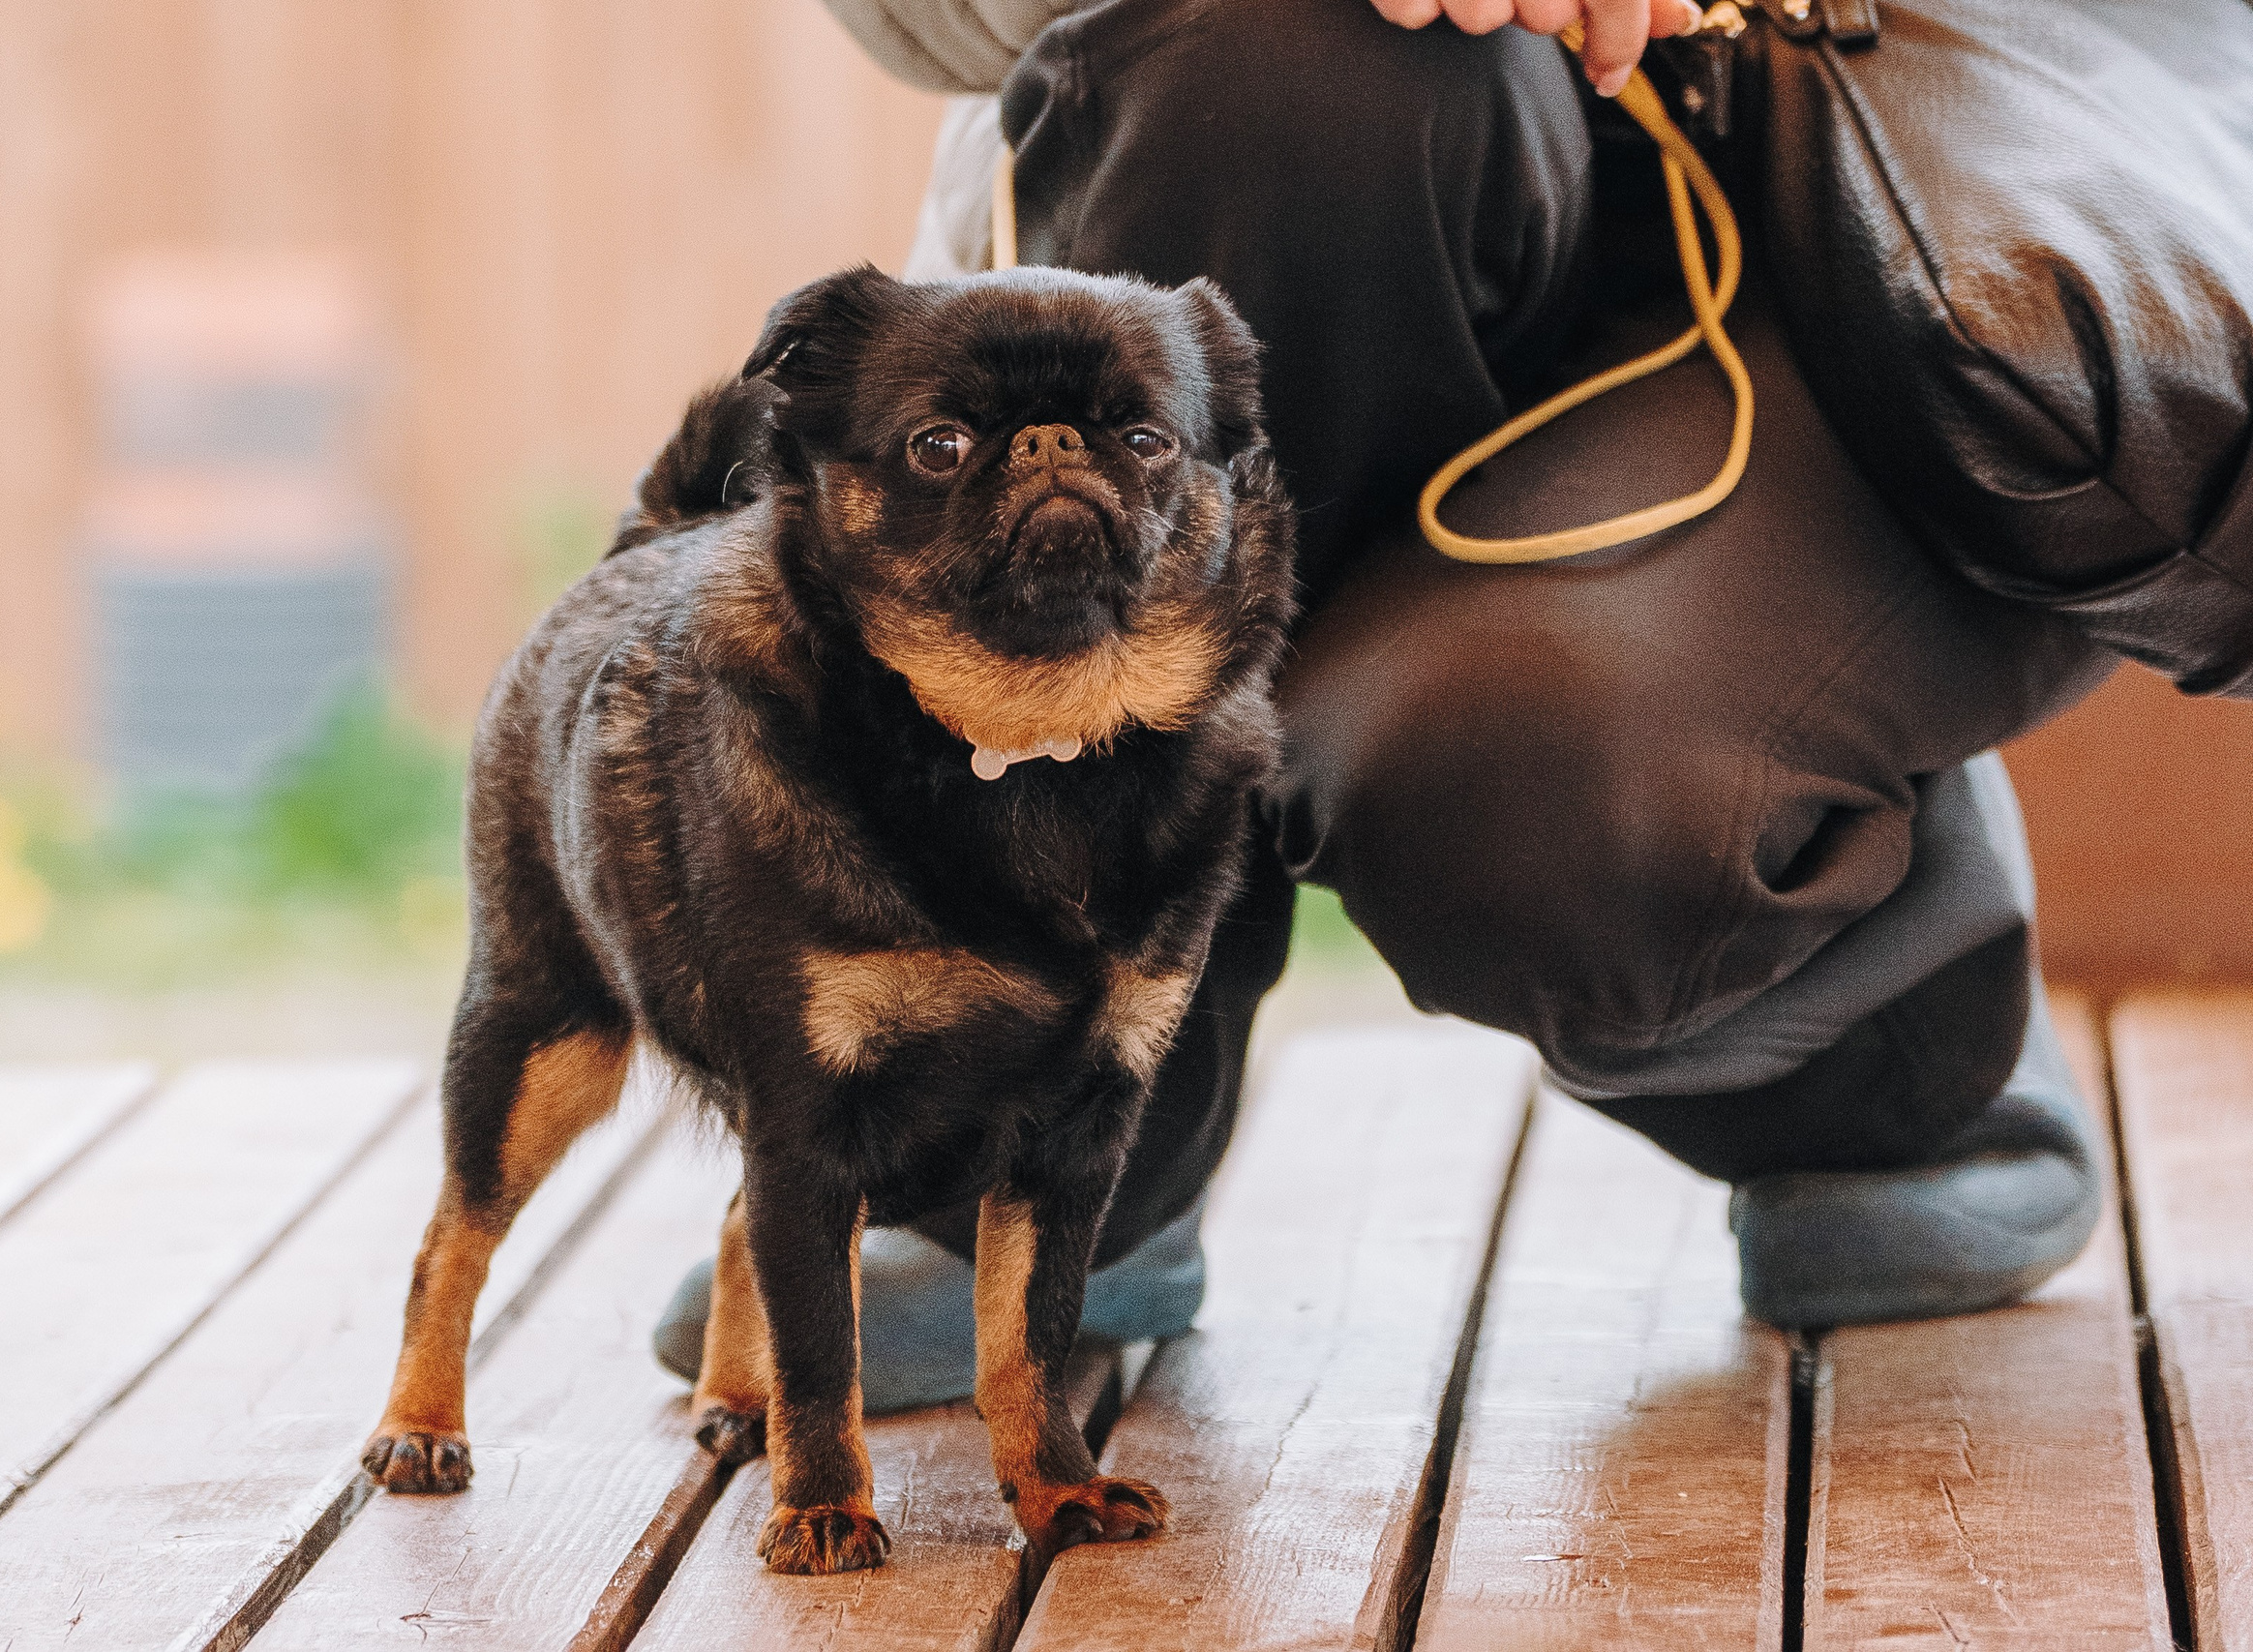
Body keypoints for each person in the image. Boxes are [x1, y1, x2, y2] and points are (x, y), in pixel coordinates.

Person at [653, 0, 2124, 1412]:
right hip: (1237, 172)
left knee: (1530, 780)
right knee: (1282, 68)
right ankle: (1038, 1148)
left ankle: (1901, 1052)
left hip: (1835, 250)